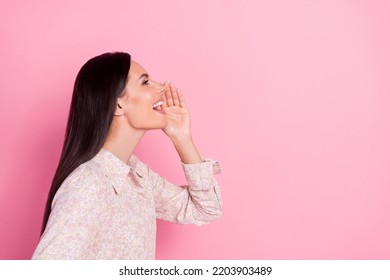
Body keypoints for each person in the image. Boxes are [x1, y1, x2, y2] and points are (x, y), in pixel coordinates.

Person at [32, 52, 222, 259]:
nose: (162, 87)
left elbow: (205, 209)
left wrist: (183, 138)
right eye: (146, 82)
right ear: (118, 105)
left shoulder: (137, 176)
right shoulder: (88, 182)